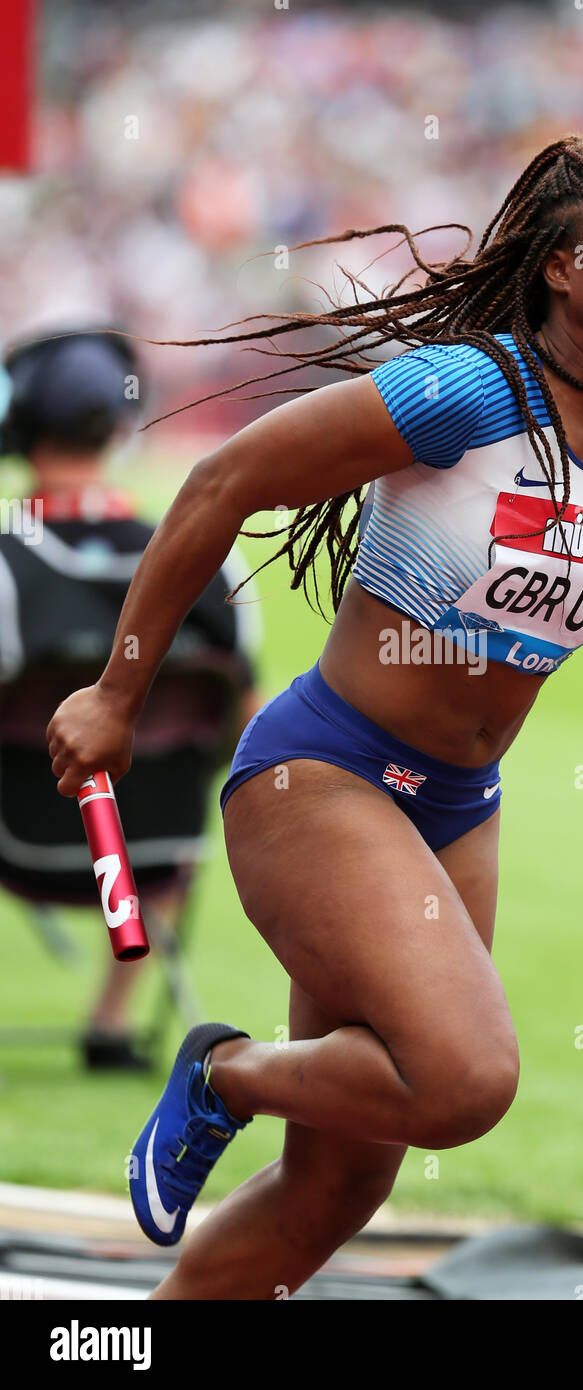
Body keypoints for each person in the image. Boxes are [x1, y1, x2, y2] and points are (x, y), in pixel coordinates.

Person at [46, 115, 583, 1298]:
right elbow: (222, 479)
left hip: (457, 807)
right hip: (325, 774)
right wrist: (116, 689)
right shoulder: (463, 391)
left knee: (340, 1188)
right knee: (462, 1080)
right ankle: (225, 1072)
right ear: (564, 263)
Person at [0, 328, 261, 1069]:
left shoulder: (7, 565)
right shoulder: (211, 559)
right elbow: (246, 714)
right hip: (158, 852)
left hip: (19, 840)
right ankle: (113, 1021)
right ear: (119, 428)